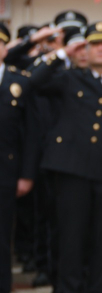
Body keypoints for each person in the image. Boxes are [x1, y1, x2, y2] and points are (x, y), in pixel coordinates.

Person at [28, 21, 102, 293]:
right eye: (94, 44)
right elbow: (34, 81)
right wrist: (64, 53)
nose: (101, 49)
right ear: (85, 50)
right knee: (70, 241)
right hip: (71, 172)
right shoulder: (68, 78)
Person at [0, 23, 37, 293]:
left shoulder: (20, 82)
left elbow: (30, 133)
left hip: (6, 171)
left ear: (5, 49)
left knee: (2, 236)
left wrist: (26, 174)